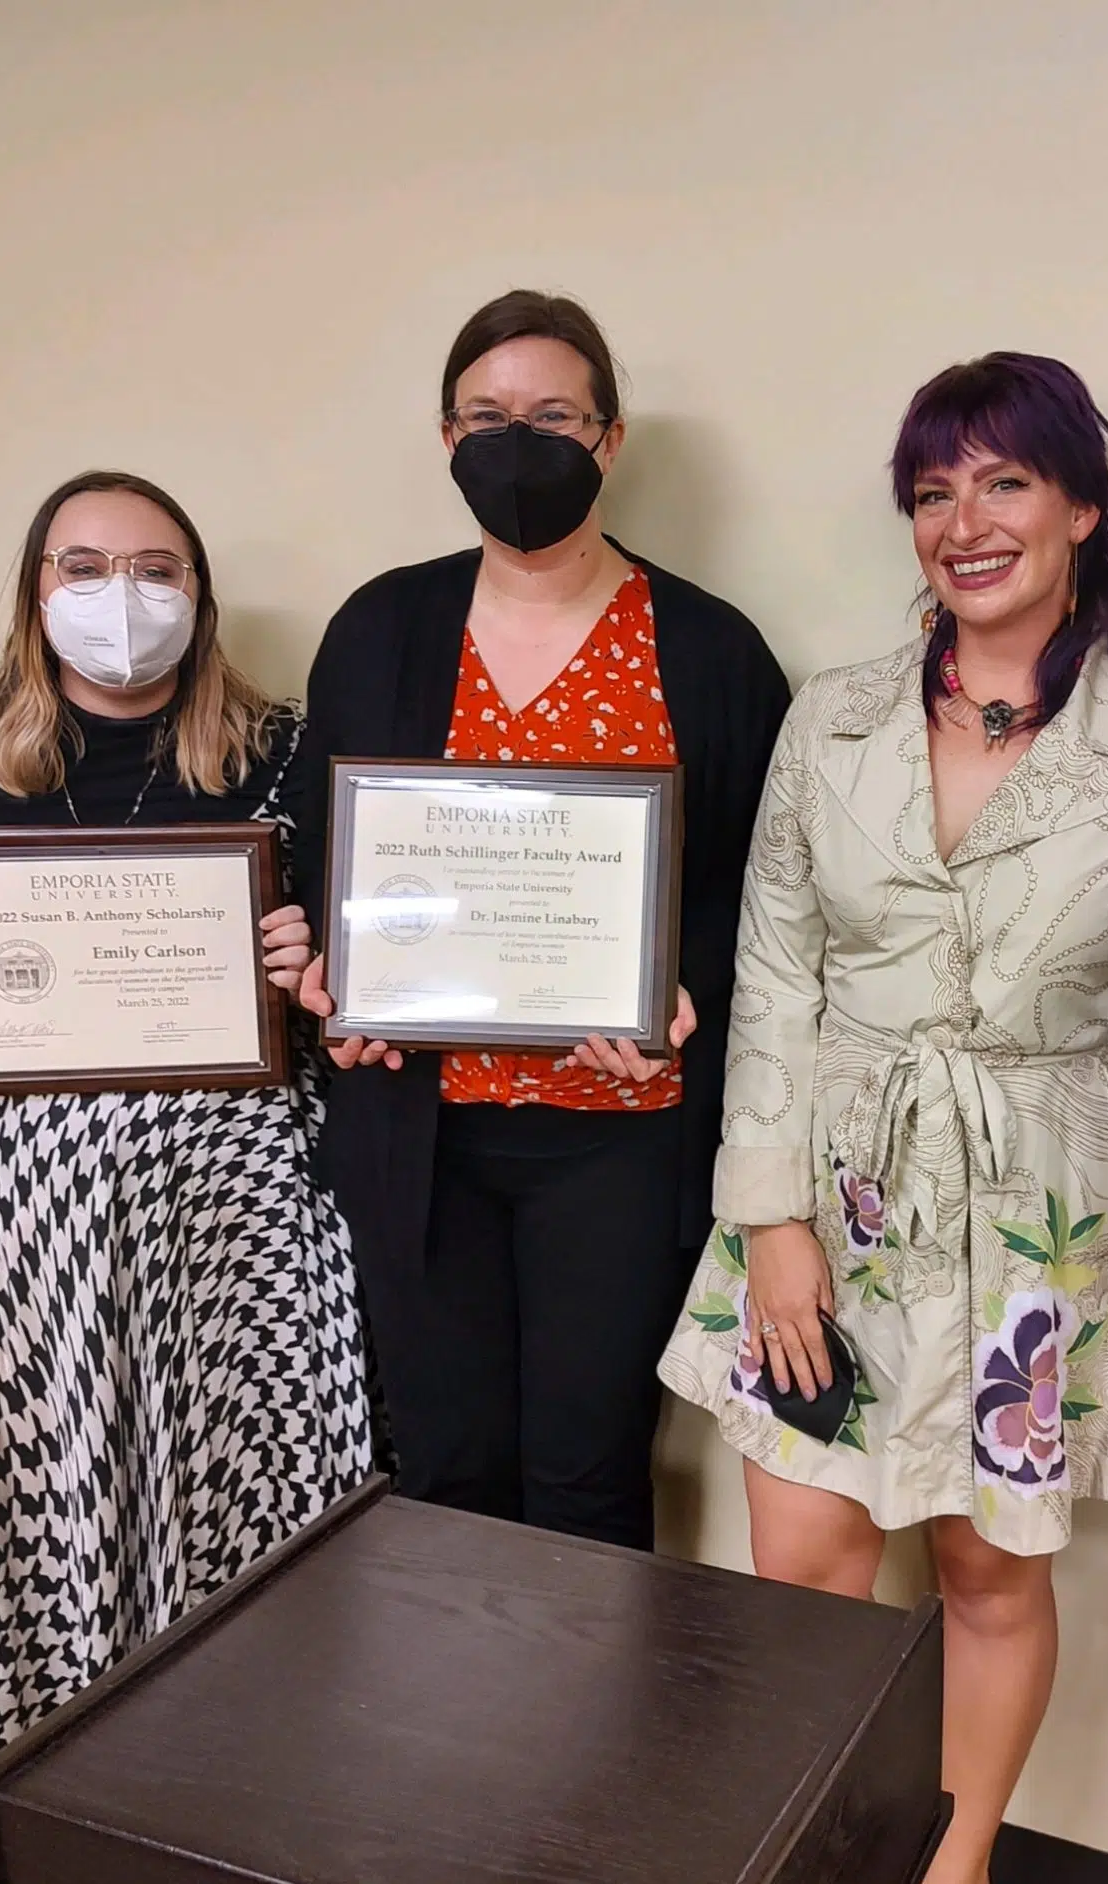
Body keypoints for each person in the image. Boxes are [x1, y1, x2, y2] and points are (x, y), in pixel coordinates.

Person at [658, 352, 1108, 1884]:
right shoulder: (830, 722)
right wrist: (769, 1218)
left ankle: (950, 1883)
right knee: (809, 1566)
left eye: (1003, 482)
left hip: (1044, 1209)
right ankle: (827, 1861)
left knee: (990, 1573)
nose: (963, 522)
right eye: (931, 492)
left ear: (1081, 509)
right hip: (832, 1194)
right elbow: (772, 974)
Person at [0, 470, 373, 1827]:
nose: (120, 598)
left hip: (227, 1204)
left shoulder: (288, 753)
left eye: (156, 568)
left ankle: (245, 1766)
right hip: (1, 1212)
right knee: (26, 1476)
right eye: (83, 568)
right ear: (33, 595)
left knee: (235, 1453)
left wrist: (315, 958)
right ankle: (26, 1770)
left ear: (200, 595)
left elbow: (368, 948)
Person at [293, 291, 790, 1552]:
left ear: (610, 439)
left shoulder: (710, 650)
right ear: (447, 439)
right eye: (488, 417)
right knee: (446, 1467)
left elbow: (764, 899)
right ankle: (459, 1750)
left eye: (554, 416)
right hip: (422, 1131)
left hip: (618, 1140)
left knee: (587, 1471)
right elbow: (321, 859)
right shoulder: (378, 629)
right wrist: (329, 987)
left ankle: (591, 1755)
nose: (521, 443)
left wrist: (685, 993)